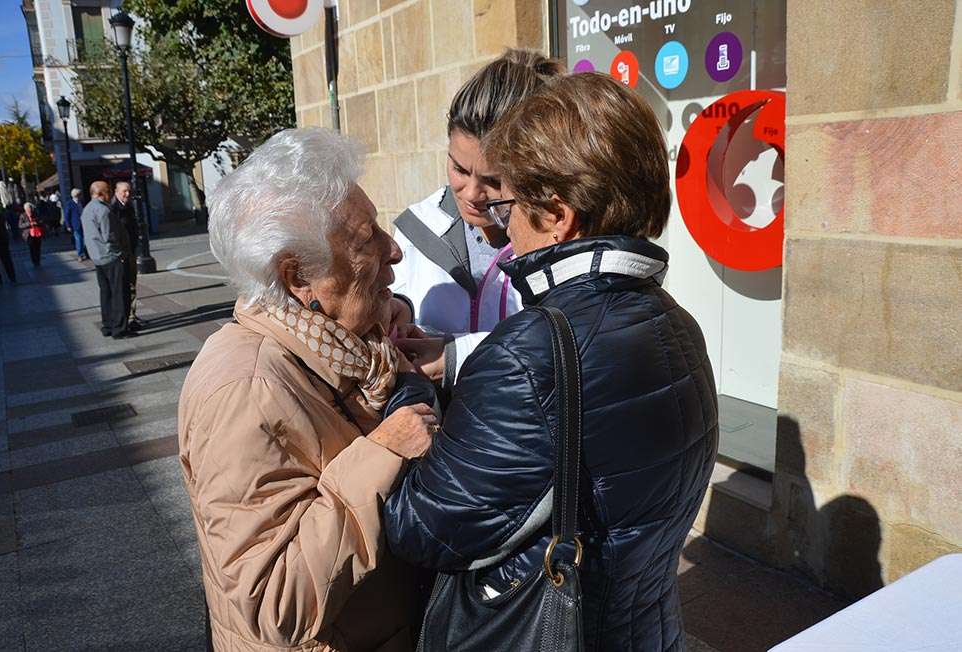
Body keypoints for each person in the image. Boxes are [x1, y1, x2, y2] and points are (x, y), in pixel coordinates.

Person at [384, 73, 720, 651]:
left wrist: (408, 389)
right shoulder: (677, 322)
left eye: (509, 203)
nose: (504, 226)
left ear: (559, 216)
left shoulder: (527, 352)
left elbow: (424, 527)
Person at [179, 128, 440, 651]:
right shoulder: (245, 390)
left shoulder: (344, 347)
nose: (394, 251)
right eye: (367, 240)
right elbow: (277, 603)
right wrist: (383, 450)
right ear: (300, 279)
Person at [388, 49, 562, 395]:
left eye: (494, 181)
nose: (471, 193)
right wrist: (399, 311)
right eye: (459, 169)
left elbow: (560, 349)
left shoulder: (555, 240)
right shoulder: (415, 228)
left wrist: (454, 358)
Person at [81, 181, 132, 339]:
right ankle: (119, 328)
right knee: (119, 293)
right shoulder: (103, 210)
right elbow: (109, 236)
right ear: (102, 193)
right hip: (110, 257)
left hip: (97, 257)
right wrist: (120, 253)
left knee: (106, 293)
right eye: (108, 191)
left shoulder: (87, 209)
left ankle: (108, 324)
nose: (110, 194)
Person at [112, 181, 140, 327]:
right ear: (116, 192)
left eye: (129, 191)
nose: (127, 194)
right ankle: (127, 317)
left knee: (132, 285)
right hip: (122, 254)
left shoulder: (129, 207)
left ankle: (132, 315)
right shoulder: (114, 209)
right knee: (125, 287)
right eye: (124, 191)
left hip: (131, 251)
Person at [64, 188, 88, 261]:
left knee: (85, 239)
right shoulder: (70, 204)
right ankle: (80, 254)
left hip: (84, 223)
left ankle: (85, 253)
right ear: (76, 195)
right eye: (80, 195)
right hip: (76, 224)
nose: (81, 196)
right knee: (79, 239)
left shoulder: (82, 202)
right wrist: (68, 225)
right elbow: (67, 215)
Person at [18, 202, 45, 268]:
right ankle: (34, 261)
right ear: (25, 209)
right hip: (29, 234)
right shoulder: (23, 215)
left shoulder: (35, 214)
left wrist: (37, 222)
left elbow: (41, 221)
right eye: (28, 209)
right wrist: (29, 224)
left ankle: (38, 260)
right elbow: (20, 225)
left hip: (37, 233)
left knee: (38, 247)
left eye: (30, 208)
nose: (29, 210)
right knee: (32, 248)